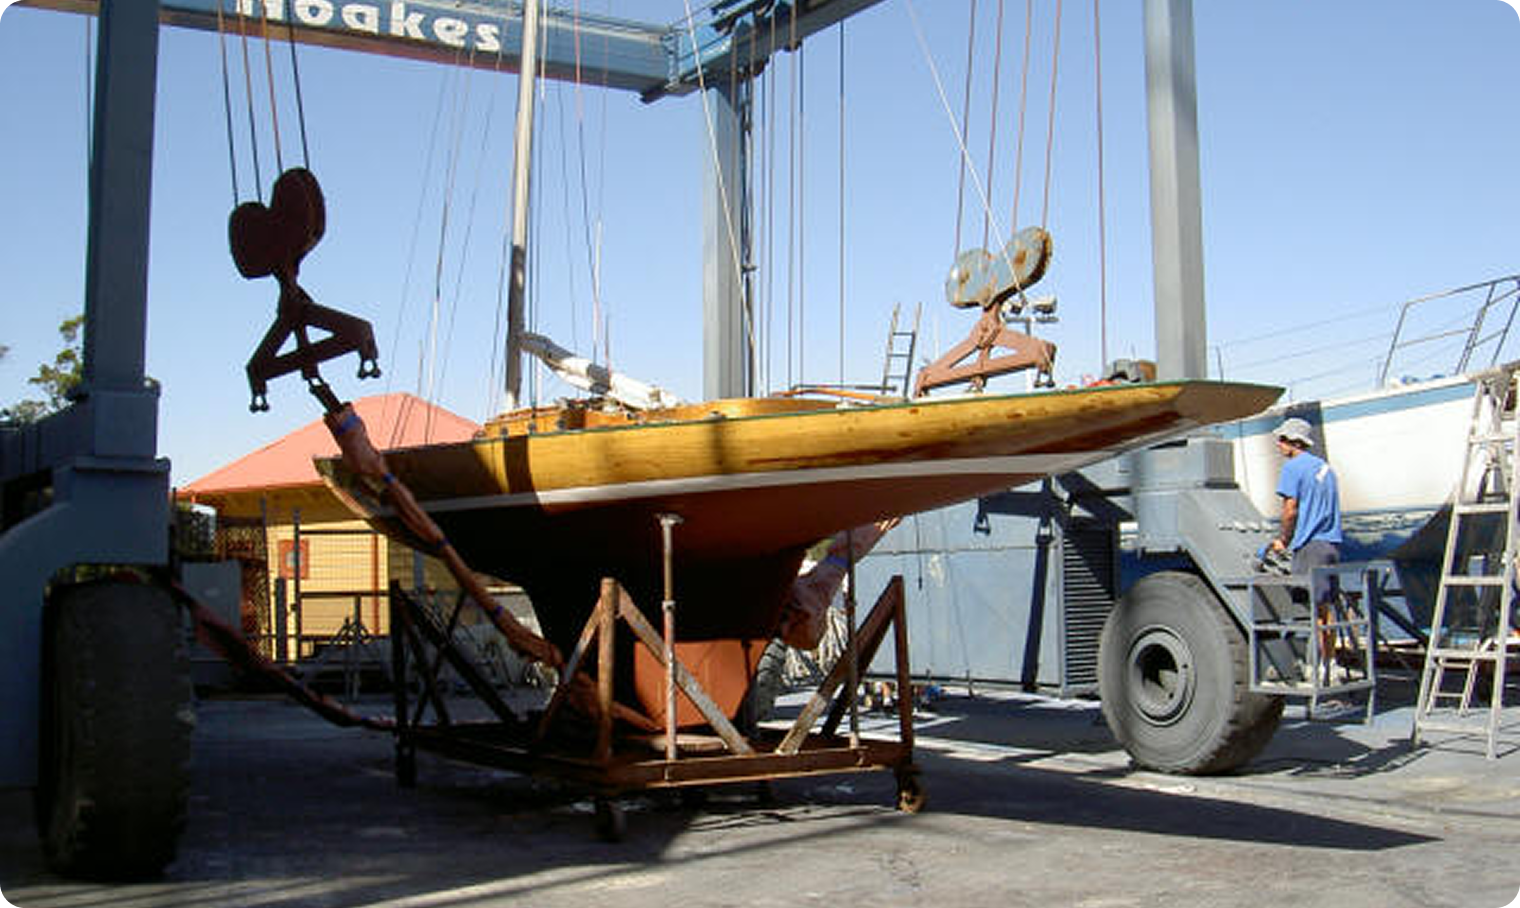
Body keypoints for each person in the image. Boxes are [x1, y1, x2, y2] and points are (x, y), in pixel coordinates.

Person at [1269, 416, 1344, 674]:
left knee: (1306, 608)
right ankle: (1330, 661)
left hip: (1310, 545)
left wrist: (1283, 540)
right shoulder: (1325, 468)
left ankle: (1315, 666)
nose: (1278, 445)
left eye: (1280, 440)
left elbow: (1290, 509)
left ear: (1292, 441)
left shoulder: (1293, 468)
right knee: (1326, 607)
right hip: (1331, 544)